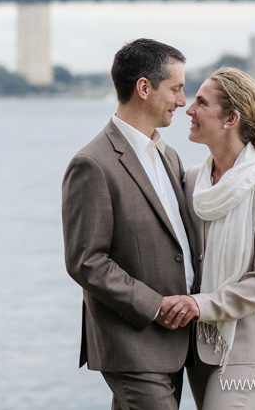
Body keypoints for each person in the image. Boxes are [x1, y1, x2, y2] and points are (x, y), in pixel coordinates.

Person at [61, 38, 201, 410]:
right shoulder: (92, 164)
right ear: (144, 88)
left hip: (178, 341)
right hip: (131, 340)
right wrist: (156, 306)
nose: (182, 101)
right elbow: (86, 261)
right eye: (175, 89)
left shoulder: (169, 156)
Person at [159, 67, 255, 410]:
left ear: (230, 119)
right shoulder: (194, 180)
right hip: (198, 344)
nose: (188, 109)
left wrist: (201, 305)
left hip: (248, 347)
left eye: (201, 102)